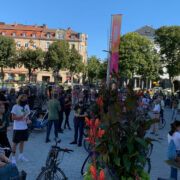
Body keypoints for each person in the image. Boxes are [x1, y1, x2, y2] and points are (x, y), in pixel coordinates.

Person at [11, 94, 31, 164]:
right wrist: (22, 116)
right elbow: (13, 118)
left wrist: (27, 120)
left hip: (24, 127)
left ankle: (21, 155)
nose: (25, 100)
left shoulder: (26, 106)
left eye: (26, 99)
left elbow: (27, 116)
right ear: (20, 99)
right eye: (23, 99)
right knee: (15, 144)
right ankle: (13, 158)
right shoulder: (15, 107)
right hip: (17, 128)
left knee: (22, 142)